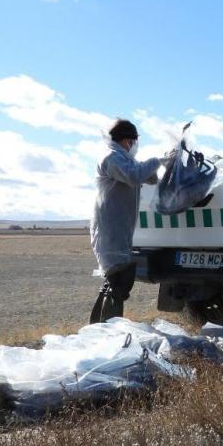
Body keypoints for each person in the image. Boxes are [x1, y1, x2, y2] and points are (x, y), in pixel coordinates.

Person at [89, 118, 164, 324]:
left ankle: (98, 328)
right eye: (132, 141)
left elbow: (149, 178)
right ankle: (108, 331)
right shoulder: (112, 158)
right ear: (125, 140)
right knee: (118, 281)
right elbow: (133, 176)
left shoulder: (124, 159)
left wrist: (160, 166)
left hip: (119, 226)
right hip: (110, 227)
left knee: (114, 281)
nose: (134, 146)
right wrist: (158, 160)